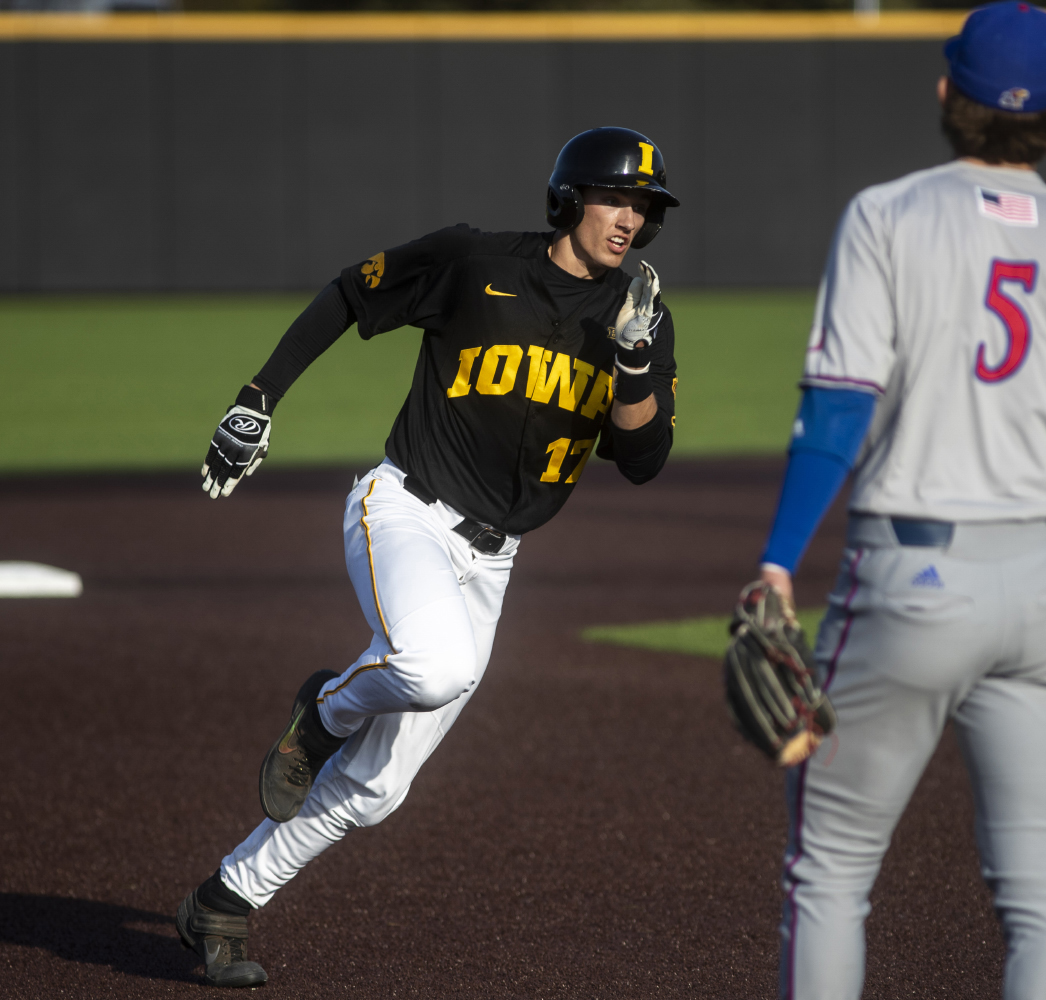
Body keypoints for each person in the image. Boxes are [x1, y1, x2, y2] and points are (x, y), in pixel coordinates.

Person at [174, 126, 680, 988]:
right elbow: (349, 293)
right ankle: (325, 713)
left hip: (495, 560)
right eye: (614, 197)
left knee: (377, 790)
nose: (629, 218)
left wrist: (633, 359)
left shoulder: (639, 319)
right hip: (405, 511)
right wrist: (257, 397)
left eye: (643, 206)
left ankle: (224, 901)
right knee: (434, 667)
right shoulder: (473, 260)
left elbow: (643, 459)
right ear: (568, 198)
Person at [749, 5, 1046, 998]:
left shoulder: (887, 214)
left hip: (913, 574)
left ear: (947, 94)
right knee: (1041, 894)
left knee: (835, 873)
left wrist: (777, 555)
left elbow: (840, 406)